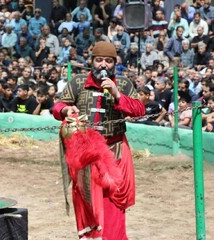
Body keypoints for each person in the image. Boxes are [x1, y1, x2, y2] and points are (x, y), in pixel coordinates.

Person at [52, 41, 145, 239]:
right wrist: (67, 110)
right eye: (99, 60)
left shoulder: (124, 83)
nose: (104, 65)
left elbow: (139, 110)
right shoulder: (78, 82)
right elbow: (57, 107)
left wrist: (116, 93)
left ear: (115, 63)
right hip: (86, 155)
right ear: (92, 61)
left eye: (109, 61)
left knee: (113, 205)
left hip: (115, 152)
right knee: (87, 204)